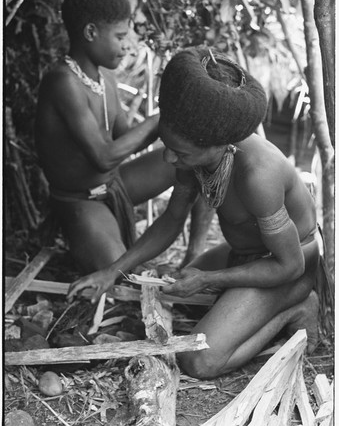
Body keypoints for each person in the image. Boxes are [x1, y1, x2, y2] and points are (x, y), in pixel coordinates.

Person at [67, 46, 320, 379]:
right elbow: (171, 221)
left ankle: (297, 307)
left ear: (221, 145)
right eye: (168, 147)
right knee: (174, 293)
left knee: (198, 360)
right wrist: (112, 272)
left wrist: (210, 279)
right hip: (243, 255)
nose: (170, 159)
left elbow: (289, 265)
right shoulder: (194, 156)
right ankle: (243, 303)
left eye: (181, 153)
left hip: (290, 266)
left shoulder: (259, 175)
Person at [35, 0, 181, 275]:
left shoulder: (106, 79)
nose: (128, 46)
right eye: (120, 36)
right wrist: (157, 120)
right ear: (91, 33)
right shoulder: (63, 82)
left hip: (115, 185)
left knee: (195, 162)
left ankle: (192, 256)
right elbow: (102, 157)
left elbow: (125, 141)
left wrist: (175, 118)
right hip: (81, 199)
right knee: (118, 273)